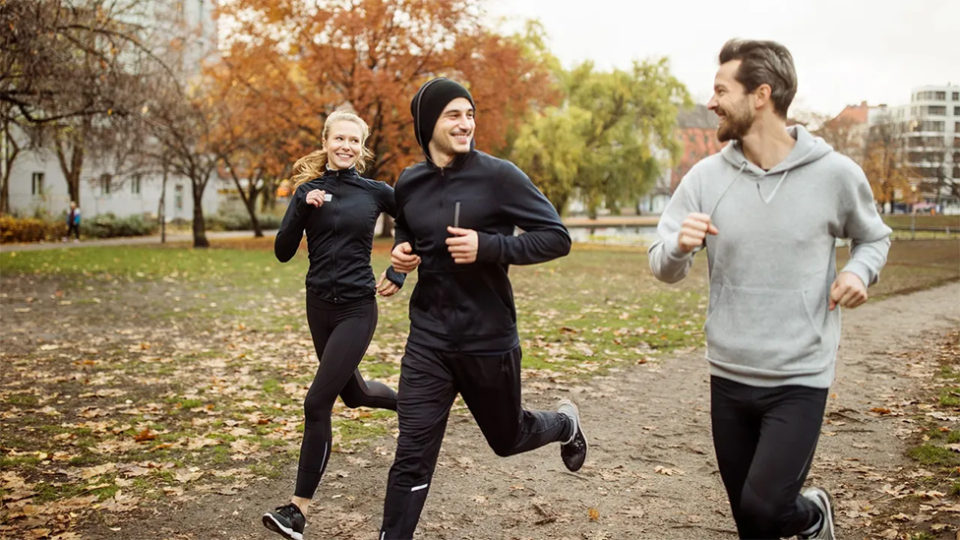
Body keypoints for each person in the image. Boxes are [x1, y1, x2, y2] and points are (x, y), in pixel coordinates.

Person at [649, 39, 891, 540]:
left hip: (799, 377)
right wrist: (678, 246)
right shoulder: (705, 177)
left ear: (761, 95)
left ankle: (814, 515)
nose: (711, 102)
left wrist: (857, 272)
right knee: (749, 521)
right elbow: (662, 266)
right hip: (729, 374)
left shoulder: (835, 174)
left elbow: (873, 238)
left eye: (721, 90)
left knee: (765, 506)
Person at [378, 78, 588, 540]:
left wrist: (489, 246)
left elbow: (557, 237)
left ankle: (564, 423)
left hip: (487, 340)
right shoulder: (409, 182)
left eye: (469, 114)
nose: (465, 123)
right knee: (411, 453)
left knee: (507, 438)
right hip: (428, 340)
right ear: (427, 122)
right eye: (453, 114)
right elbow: (408, 233)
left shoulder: (499, 176)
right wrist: (400, 260)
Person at [263, 110, 407, 540]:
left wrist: (399, 270)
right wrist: (301, 211)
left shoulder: (378, 192)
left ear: (362, 147)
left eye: (354, 140)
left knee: (316, 403)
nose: (346, 146)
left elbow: (413, 222)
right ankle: (417, 406)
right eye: (339, 138)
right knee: (356, 393)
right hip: (318, 307)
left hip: (357, 309)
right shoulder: (308, 190)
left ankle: (297, 512)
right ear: (326, 142)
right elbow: (283, 251)